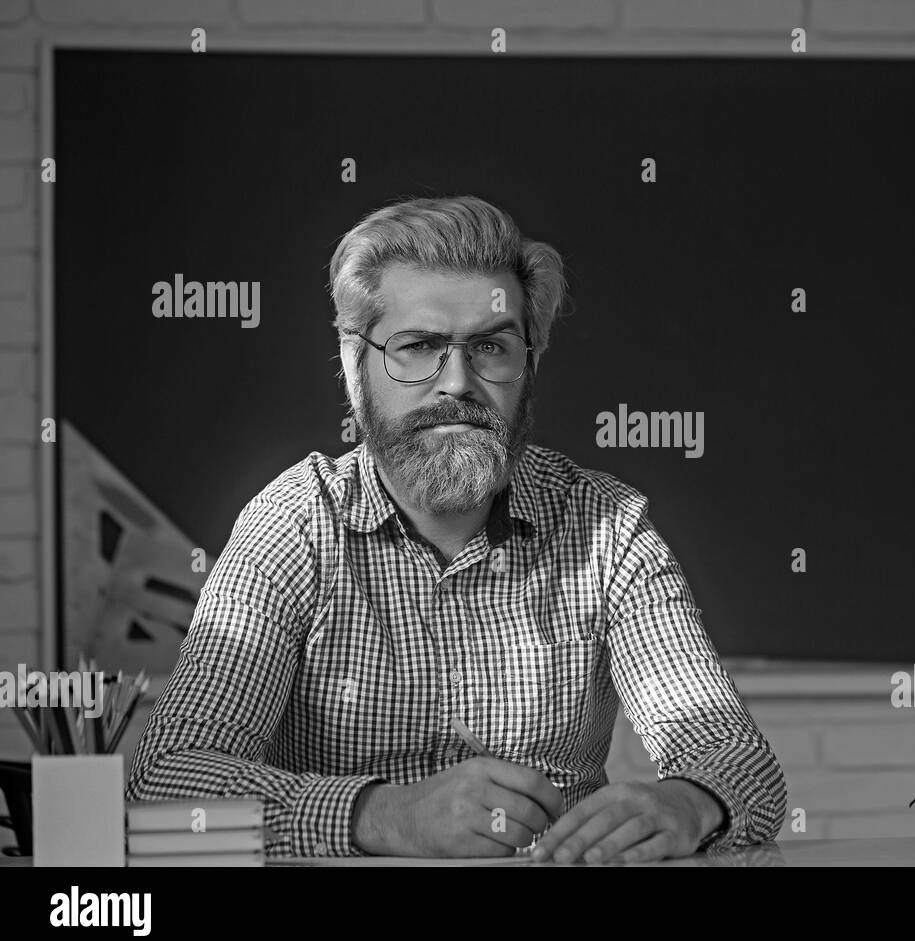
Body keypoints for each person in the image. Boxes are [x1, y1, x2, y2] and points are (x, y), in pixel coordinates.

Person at [127, 195, 786, 864]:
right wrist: (383, 814)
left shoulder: (607, 529)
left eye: (491, 347)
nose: (458, 383)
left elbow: (733, 756)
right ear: (356, 367)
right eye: (419, 347)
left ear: (529, 363)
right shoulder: (292, 525)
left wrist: (688, 803)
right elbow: (168, 778)